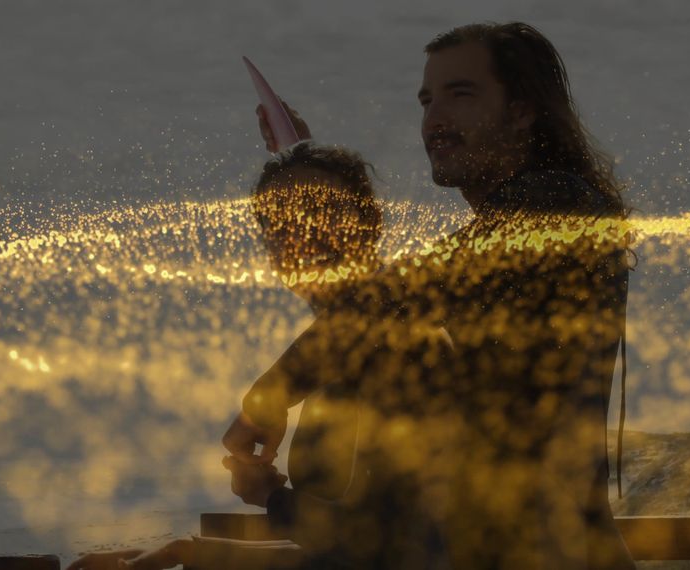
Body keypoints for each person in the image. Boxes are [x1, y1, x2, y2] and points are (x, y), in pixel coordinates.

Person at [231, 22, 635, 569]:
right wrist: (303, 158)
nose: (434, 119)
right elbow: (378, 303)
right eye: (427, 100)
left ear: (522, 111)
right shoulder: (520, 228)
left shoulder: (554, 204)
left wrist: (271, 400)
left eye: (461, 94)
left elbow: (400, 297)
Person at [69, 143, 452, 570]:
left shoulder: (405, 347)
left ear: (369, 224)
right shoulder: (336, 363)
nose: (300, 233)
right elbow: (336, 550)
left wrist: (269, 499)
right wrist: (188, 550)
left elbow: (379, 550)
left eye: (320, 210)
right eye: (277, 223)